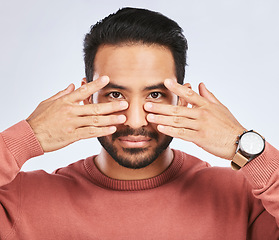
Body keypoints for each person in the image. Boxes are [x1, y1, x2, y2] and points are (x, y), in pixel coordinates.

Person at [0, 7, 278, 240]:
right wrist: (25, 138)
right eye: (115, 95)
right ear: (86, 98)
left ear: (181, 100)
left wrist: (246, 147)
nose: (135, 121)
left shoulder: (244, 198)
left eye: (155, 95)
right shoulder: (22, 201)